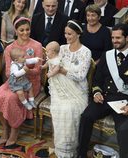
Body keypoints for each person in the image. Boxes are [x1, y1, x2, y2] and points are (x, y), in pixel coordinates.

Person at [77, 23, 128, 158]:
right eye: (113, 38)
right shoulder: (107, 55)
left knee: (124, 130)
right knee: (86, 117)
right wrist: (97, 92)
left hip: (124, 102)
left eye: (118, 38)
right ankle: (80, 154)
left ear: (127, 38)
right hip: (105, 97)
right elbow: (97, 79)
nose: (115, 41)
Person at [0, 16, 43, 147]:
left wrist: (26, 70)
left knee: (11, 98)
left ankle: (15, 129)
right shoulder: (10, 48)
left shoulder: (37, 45)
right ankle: (5, 128)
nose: (25, 33)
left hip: (30, 83)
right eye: (21, 30)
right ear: (15, 31)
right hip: (13, 81)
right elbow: (8, 72)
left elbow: (38, 71)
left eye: (27, 29)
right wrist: (19, 72)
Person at [50, 20, 91, 158]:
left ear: (78, 34)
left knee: (70, 109)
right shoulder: (61, 48)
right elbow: (52, 63)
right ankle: (61, 147)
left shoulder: (86, 52)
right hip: (61, 88)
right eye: (65, 33)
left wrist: (62, 70)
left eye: (70, 34)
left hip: (78, 91)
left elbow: (80, 76)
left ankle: (71, 148)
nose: (67, 37)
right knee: (59, 108)